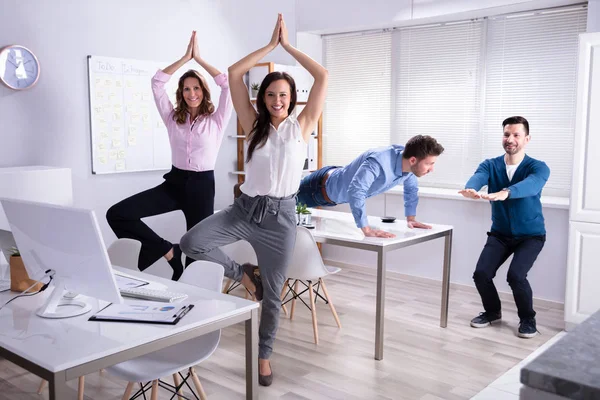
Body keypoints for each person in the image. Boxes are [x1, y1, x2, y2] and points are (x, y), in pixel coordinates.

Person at [180, 14, 327, 386]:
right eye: (270, 94)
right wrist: (269, 47)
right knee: (191, 242)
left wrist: (289, 47)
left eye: (283, 94)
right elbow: (232, 73)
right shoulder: (252, 124)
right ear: (262, 98)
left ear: (293, 99)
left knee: (273, 296)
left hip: (281, 218)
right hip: (244, 210)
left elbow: (323, 77)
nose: (277, 100)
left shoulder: (303, 126)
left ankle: (264, 356)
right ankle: (242, 274)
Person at [106, 31, 232, 281]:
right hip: (174, 183)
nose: (191, 93)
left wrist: (200, 60)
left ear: (203, 90)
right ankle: (166, 249)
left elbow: (227, 83)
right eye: (186, 89)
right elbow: (157, 83)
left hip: (202, 187)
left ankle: (194, 300)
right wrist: (186, 58)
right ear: (181, 92)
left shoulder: (216, 120)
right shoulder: (173, 117)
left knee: (196, 249)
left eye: (196, 87)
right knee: (117, 213)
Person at [459, 116, 550, 338]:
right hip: (500, 234)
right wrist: (471, 189)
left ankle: (528, 319)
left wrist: (506, 193)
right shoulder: (490, 164)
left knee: (516, 276)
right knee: (481, 274)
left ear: (527, 139)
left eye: (516, 135)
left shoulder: (538, 167)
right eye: (507, 134)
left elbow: (531, 185)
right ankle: (492, 312)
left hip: (531, 235)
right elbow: (478, 177)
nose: (510, 139)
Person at [297, 135, 445, 238]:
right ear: (413, 160)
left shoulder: (409, 166)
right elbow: (356, 191)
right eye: (429, 164)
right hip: (316, 188)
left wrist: (411, 218)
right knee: (278, 208)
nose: (431, 169)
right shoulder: (378, 161)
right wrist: (365, 228)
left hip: (331, 193)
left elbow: (411, 189)